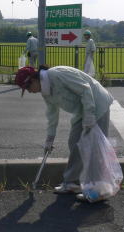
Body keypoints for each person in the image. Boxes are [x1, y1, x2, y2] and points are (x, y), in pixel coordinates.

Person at [14, 65, 114, 202]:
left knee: (94, 147)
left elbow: (85, 89)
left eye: (28, 87)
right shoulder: (46, 91)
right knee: (74, 142)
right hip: (82, 111)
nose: (30, 92)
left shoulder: (57, 75)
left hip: (97, 103)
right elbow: (52, 115)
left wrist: (90, 114)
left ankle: (100, 190)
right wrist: (50, 138)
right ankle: (72, 183)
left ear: (33, 79)